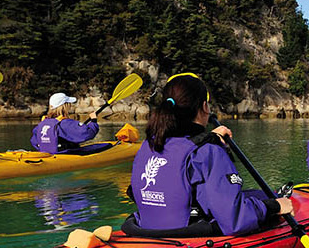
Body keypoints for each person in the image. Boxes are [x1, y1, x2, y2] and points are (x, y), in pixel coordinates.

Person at [124, 73, 292, 237]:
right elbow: (235, 220)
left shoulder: (151, 143)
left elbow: (183, 150)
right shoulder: (207, 151)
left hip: (147, 229)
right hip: (189, 234)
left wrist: (209, 138)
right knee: (266, 198)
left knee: (257, 195)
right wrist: (274, 207)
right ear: (204, 107)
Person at [31, 93, 100, 153]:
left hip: (48, 155)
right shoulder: (65, 123)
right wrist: (93, 120)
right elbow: (88, 133)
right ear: (64, 106)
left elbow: (34, 141)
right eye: (69, 104)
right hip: (64, 154)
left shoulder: (42, 123)